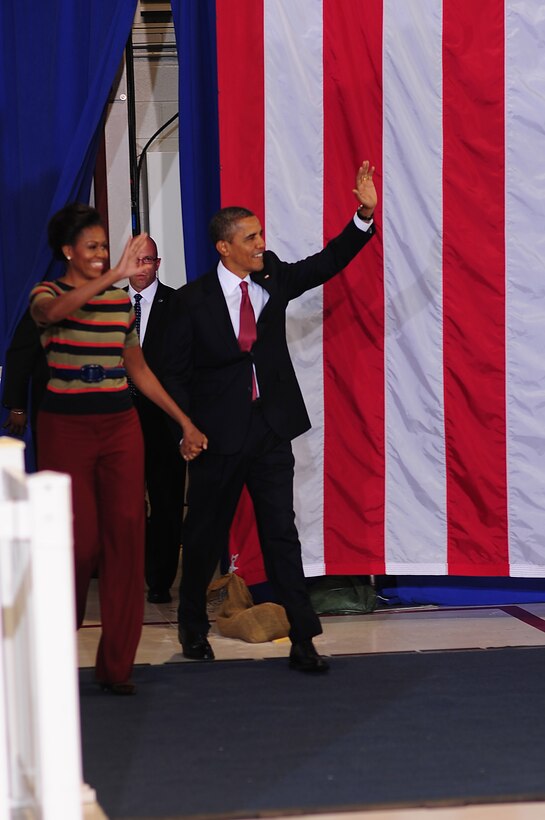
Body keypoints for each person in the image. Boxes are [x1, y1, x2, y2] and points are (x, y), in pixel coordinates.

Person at [163, 160, 377, 673]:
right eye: (252, 236)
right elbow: (171, 375)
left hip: (270, 429)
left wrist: (364, 215)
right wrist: (186, 429)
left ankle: (304, 639)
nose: (262, 242)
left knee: (282, 533)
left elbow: (325, 264)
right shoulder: (191, 302)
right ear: (225, 247)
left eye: (261, 234)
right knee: (204, 536)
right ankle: (192, 627)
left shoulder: (275, 275)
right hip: (217, 437)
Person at [29, 203, 207, 695]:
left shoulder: (117, 304)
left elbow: (139, 368)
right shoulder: (47, 294)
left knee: (128, 539)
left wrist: (184, 421)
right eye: (92, 247)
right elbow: (55, 313)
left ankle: (116, 666)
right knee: (79, 544)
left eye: (105, 247)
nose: (102, 254)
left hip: (119, 427)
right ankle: (49, 654)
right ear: (68, 252)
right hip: (65, 428)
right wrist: (112, 276)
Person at [127, 237, 186, 604]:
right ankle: (128, 574)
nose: (142, 266)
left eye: (148, 259)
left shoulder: (178, 304)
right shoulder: (109, 304)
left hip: (163, 419)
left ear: (158, 263)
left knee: (166, 501)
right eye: (136, 259)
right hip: (120, 417)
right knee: (127, 502)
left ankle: (160, 580)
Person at [1, 308, 49, 454]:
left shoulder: (116, 299)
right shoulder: (47, 303)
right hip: (47, 405)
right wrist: (17, 407)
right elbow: (20, 356)